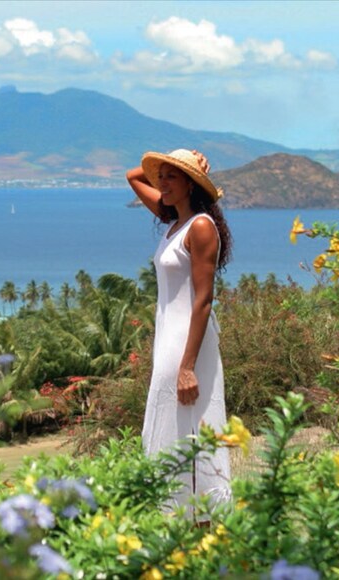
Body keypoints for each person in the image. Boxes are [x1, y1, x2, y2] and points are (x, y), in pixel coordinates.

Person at [126, 148, 233, 521]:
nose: (162, 183)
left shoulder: (201, 226)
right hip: (168, 340)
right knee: (170, 429)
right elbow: (132, 176)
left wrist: (188, 366)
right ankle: (175, 522)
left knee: (193, 430)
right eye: (163, 177)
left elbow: (204, 301)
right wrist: (173, 163)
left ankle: (205, 525)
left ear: (191, 183)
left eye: (172, 177)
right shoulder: (174, 222)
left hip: (188, 343)